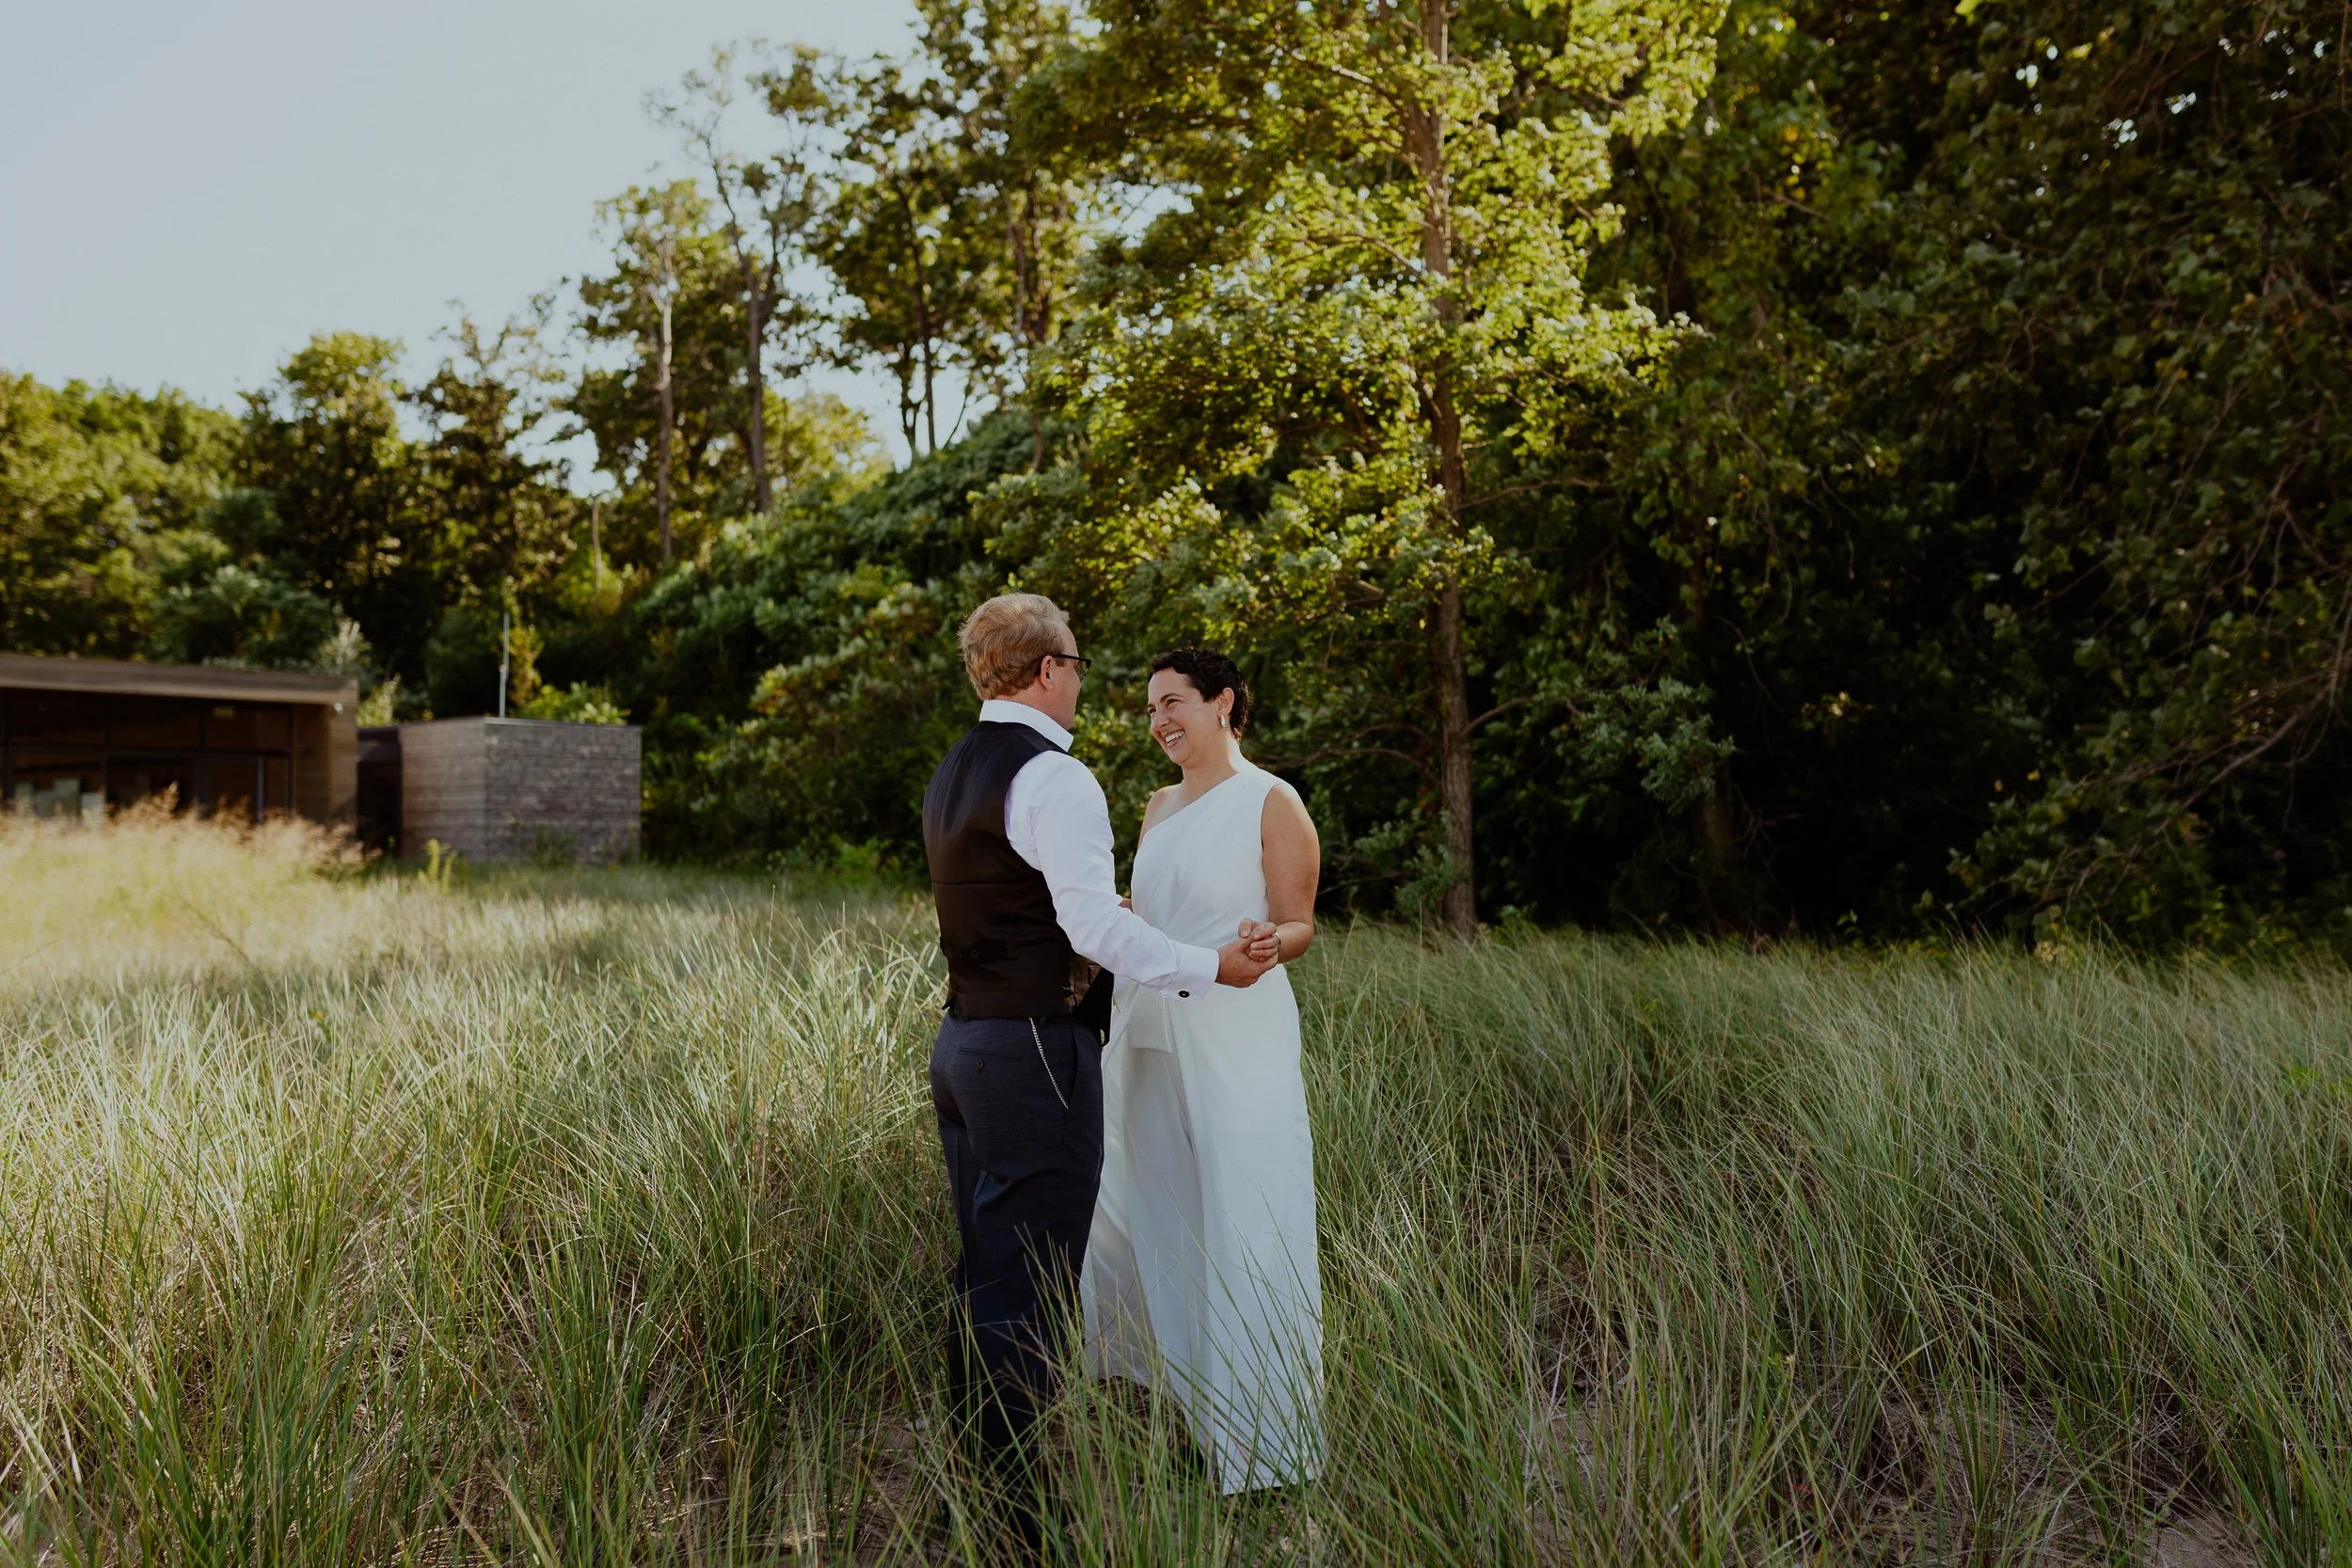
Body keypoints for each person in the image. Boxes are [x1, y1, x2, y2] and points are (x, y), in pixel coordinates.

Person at [920, 595, 1280, 1535]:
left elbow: (1021, 908)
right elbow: (1089, 926)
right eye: (1076, 664)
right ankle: (1018, 1526)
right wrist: (1212, 964)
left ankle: (971, 1491)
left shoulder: (955, 770)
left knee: (984, 1279)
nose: (1082, 682)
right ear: (1046, 668)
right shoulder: (1055, 775)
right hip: (1037, 1052)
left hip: (962, 1047)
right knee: (1032, 1290)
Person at [1081, 647, 1326, 1494]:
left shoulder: (1272, 799)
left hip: (1238, 1026)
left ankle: (1268, 1446)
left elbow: (1298, 922)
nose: (1160, 721)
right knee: (1160, 1209)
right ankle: (1186, 1410)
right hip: (1149, 1026)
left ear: (1224, 702)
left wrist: (1271, 941)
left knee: (1246, 1210)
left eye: (1175, 702)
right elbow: (1154, 917)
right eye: (1151, 708)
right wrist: (1122, 917)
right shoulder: (1154, 806)